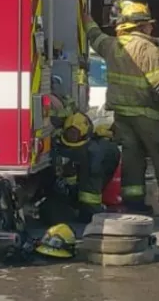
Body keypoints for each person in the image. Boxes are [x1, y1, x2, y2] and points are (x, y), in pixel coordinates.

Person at [81, 1, 159, 217]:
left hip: (123, 117)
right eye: (148, 24)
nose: (151, 28)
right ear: (139, 26)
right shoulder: (149, 50)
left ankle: (134, 204)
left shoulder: (112, 46)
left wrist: (86, 19)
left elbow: (95, 37)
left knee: (132, 160)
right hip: (149, 116)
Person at [48, 79, 121, 222]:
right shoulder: (73, 139)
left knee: (90, 175)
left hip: (93, 173)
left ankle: (91, 211)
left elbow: (90, 173)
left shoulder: (95, 151)